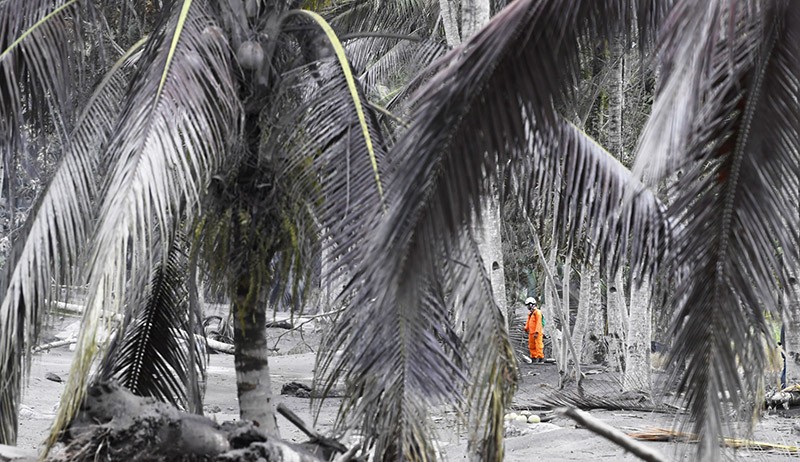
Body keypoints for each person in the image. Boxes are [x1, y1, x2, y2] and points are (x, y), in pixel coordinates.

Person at [524, 297, 544, 363]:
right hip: (531, 333)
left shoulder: (537, 312)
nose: (527, 307)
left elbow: (539, 323)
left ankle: (540, 358)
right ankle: (534, 358)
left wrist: (537, 332)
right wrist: (526, 329)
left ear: (531, 305)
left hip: (536, 333)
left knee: (538, 345)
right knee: (531, 346)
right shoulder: (531, 314)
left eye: (528, 305)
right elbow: (528, 322)